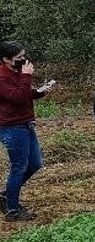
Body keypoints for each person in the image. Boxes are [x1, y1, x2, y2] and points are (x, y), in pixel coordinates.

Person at [0, 41, 54, 221]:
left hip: (25, 124)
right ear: (6, 59)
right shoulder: (2, 77)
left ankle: (7, 195)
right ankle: (12, 210)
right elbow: (17, 97)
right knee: (19, 167)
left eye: (23, 55)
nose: (23, 59)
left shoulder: (16, 72)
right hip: (12, 127)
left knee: (35, 163)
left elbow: (25, 93)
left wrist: (40, 91)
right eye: (19, 57)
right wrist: (26, 76)